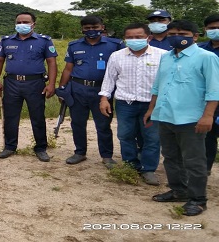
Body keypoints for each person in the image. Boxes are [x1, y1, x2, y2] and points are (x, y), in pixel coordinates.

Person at [146, 20, 219, 216]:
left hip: (192, 119)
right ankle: (179, 190)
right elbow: (157, 85)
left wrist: (208, 116)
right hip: (165, 115)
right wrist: (151, 109)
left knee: (194, 160)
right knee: (170, 157)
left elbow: (214, 90)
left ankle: (198, 199)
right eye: (172, 34)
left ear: (195, 36)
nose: (176, 37)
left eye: (183, 33)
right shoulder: (166, 57)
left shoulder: (206, 57)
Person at [98, 23, 167, 185]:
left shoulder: (163, 56)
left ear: (148, 38)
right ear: (125, 39)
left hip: (151, 105)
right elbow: (109, 79)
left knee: (151, 137)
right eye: (129, 37)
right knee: (125, 135)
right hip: (125, 104)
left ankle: (148, 169)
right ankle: (131, 165)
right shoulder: (117, 56)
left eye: (138, 37)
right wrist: (104, 99)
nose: (134, 40)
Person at [59, 15, 124, 169]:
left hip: (102, 90)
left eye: (95, 27)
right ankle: (80, 152)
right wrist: (62, 89)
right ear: (82, 29)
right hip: (78, 89)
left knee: (103, 124)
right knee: (77, 123)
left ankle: (107, 156)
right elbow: (68, 69)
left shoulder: (116, 45)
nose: (91, 31)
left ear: (102, 27)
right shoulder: (74, 45)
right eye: (87, 28)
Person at [0, 12, 57, 162]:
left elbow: (51, 63)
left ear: (33, 24)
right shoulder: (6, 41)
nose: (22, 24)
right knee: (10, 117)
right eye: (19, 22)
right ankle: (9, 147)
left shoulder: (44, 41)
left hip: (35, 84)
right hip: (12, 83)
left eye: (26, 22)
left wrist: (51, 84)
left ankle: (41, 148)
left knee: (38, 117)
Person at [199, 14, 219, 175]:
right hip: (206, 100)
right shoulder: (199, 49)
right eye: (212, 28)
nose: (216, 31)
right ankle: (205, 169)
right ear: (205, 29)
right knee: (207, 137)